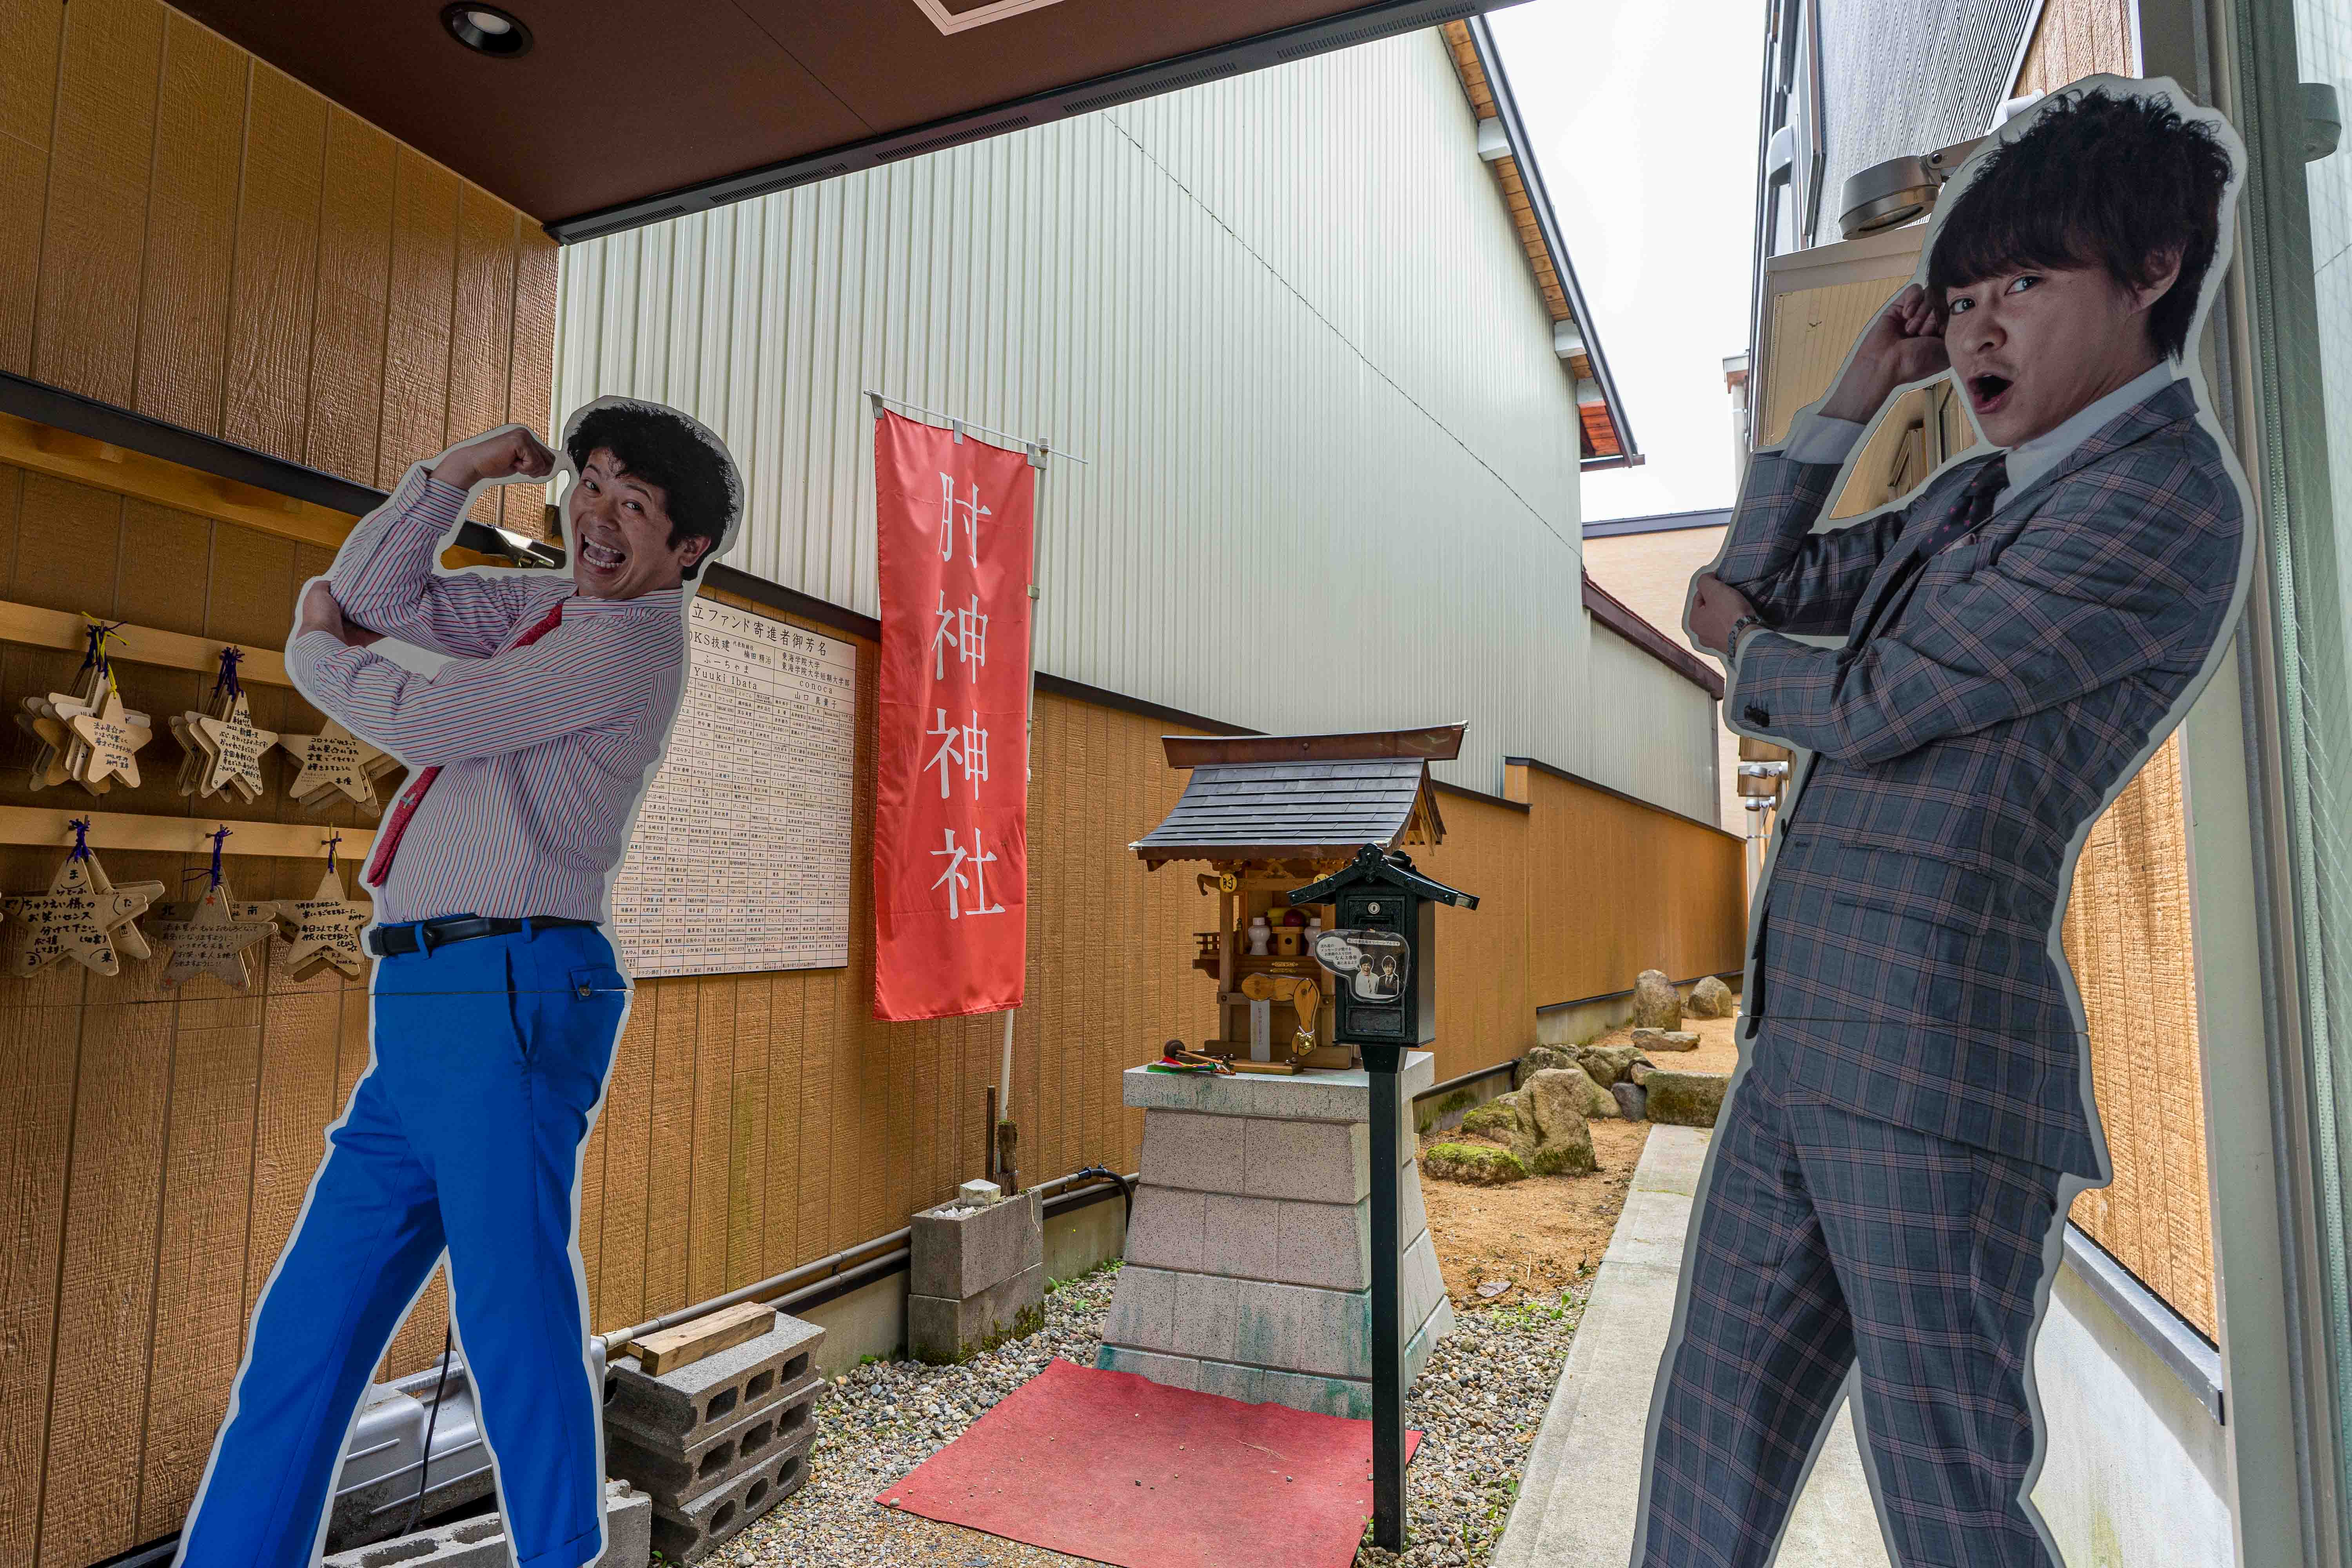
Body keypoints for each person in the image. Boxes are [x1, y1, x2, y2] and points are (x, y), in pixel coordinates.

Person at [1639, 83, 2247, 1568]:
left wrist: (1751, 672)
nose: (1977, 331)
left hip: (1939, 1077)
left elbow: (1878, 695)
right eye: (1961, 297)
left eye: (2023, 287)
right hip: (1804, 1053)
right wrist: (1855, 397)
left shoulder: (2166, 500)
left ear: (2153, 269)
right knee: (1701, 1460)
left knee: (1949, 1507)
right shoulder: (1968, 497)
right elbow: (1760, 585)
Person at [174, 399, 740, 1568]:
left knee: (509, 1315)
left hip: (512, 989)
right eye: (592, 484)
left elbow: (431, 712)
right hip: (429, 1003)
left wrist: (314, 655)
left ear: (686, 553)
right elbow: (388, 597)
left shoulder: (626, 641)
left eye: (637, 505)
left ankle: (564, 1557)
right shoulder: (555, 607)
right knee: (307, 1332)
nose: (600, 513)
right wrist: (457, 473)